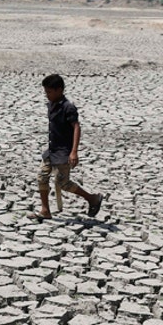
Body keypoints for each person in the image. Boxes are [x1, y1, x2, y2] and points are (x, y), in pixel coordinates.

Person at [29, 74, 103, 220]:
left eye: (49, 92)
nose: (47, 95)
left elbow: (76, 127)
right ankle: (45, 211)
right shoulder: (51, 105)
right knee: (41, 177)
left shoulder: (68, 107)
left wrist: (74, 152)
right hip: (52, 150)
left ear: (59, 90)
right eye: (46, 92)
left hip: (63, 152)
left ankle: (92, 198)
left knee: (63, 183)